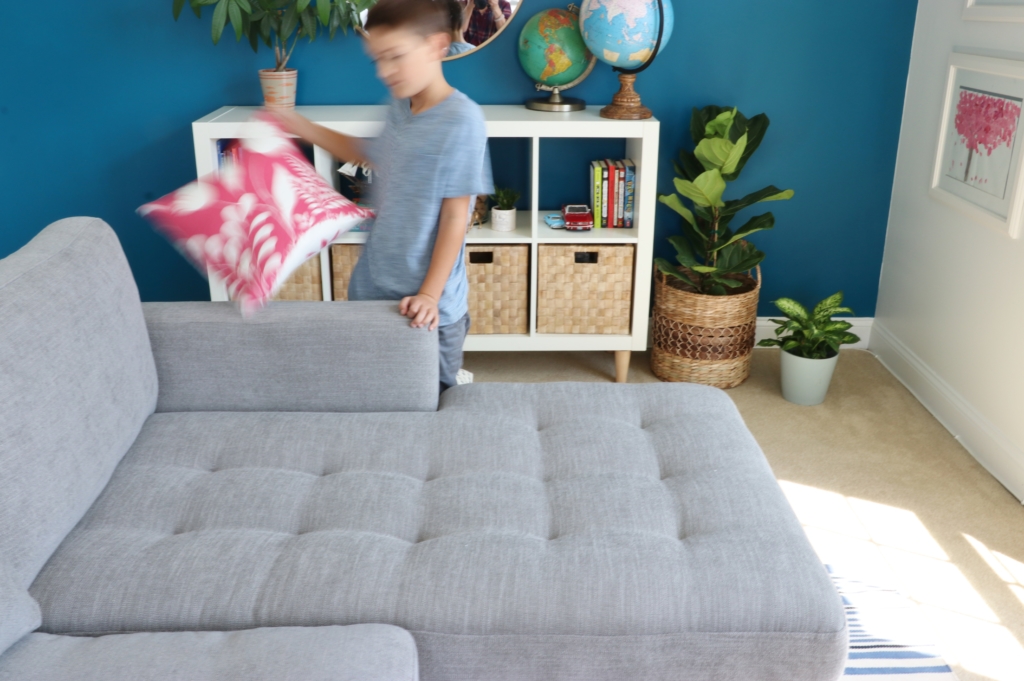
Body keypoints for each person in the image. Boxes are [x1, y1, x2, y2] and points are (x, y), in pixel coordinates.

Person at [273, 0, 493, 392]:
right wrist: (301, 126)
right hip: (372, 289)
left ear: (437, 45)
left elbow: (456, 217)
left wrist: (429, 293)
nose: (384, 71)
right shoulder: (400, 104)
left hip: (428, 306)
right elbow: (372, 154)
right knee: (375, 392)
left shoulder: (462, 120)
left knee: (429, 400)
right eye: (377, 59)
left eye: (395, 57)